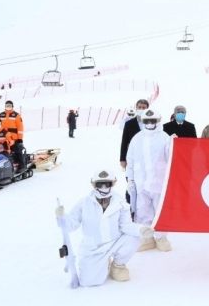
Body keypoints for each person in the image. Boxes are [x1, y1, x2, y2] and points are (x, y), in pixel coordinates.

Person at [55, 170, 154, 286]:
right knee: (89, 282)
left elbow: (126, 226)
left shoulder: (120, 202)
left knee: (134, 237)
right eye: (99, 184)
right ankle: (102, 263)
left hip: (114, 242)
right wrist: (61, 217)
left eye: (107, 184)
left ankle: (117, 265)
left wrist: (141, 229)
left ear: (113, 184)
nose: (103, 187)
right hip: (93, 248)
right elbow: (70, 225)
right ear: (93, 184)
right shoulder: (84, 203)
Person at [126, 110, 173, 252]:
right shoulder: (137, 138)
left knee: (159, 211)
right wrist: (131, 179)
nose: (150, 124)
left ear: (158, 120)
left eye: (153, 121)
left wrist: (174, 143)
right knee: (142, 210)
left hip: (159, 183)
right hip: (141, 183)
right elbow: (131, 160)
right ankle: (147, 238)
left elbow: (171, 156)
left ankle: (161, 237)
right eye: (147, 121)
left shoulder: (164, 137)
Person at [119, 99, 149, 170]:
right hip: (133, 155)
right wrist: (122, 159)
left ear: (147, 109)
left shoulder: (152, 123)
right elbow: (124, 142)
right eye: (139, 107)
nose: (141, 109)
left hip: (148, 156)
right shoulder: (129, 124)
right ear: (136, 108)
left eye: (144, 107)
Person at [0, 100, 25, 168]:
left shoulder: (16, 115)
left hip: (14, 138)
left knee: (17, 151)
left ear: (12, 106)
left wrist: (20, 138)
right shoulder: (1, 115)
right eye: (7, 105)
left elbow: (20, 128)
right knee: (1, 152)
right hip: (3, 138)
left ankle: (22, 166)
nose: (8, 107)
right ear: (5, 106)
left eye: (9, 106)